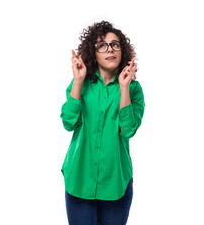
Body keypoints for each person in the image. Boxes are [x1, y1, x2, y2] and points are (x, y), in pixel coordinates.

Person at [60, 21, 145, 225]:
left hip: (116, 182)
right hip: (79, 179)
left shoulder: (134, 90)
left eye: (115, 44)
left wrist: (124, 88)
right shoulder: (80, 83)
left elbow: (128, 130)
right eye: (102, 45)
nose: (110, 49)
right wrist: (78, 81)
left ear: (122, 51)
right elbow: (68, 122)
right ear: (94, 53)